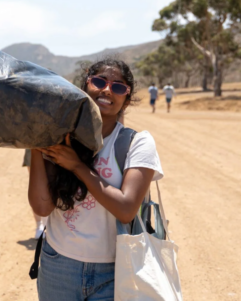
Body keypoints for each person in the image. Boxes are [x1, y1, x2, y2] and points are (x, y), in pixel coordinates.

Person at [29, 59, 163, 301]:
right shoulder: (59, 137)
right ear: (86, 85)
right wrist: (39, 143)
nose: (107, 90)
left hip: (116, 270)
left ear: (127, 98)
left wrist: (77, 166)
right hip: (58, 264)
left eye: (119, 87)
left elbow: (125, 210)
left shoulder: (138, 143)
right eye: (100, 81)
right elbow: (41, 206)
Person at [23, 149, 47, 239]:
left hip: (54, 145)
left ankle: (45, 224)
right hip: (33, 146)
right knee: (36, 186)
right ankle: (39, 225)